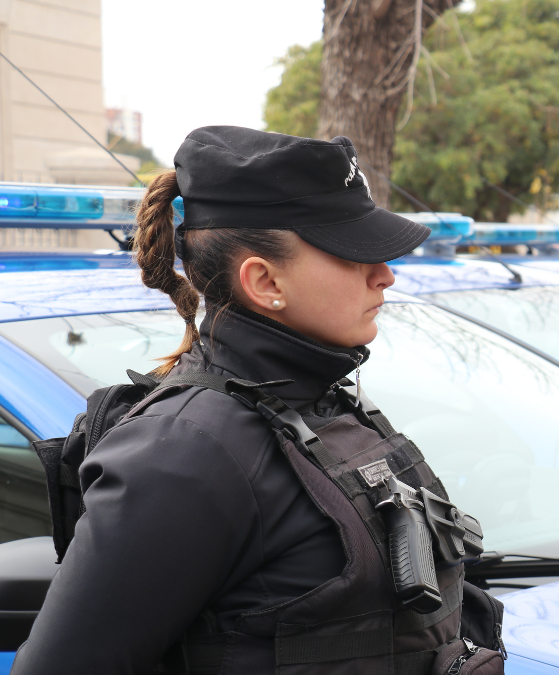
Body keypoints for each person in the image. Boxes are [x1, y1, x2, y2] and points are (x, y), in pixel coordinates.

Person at [14, 127, 492, 674]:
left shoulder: (317, 402)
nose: (385, 275)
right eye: (354, 255)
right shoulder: (185, 452)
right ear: (265, 282)